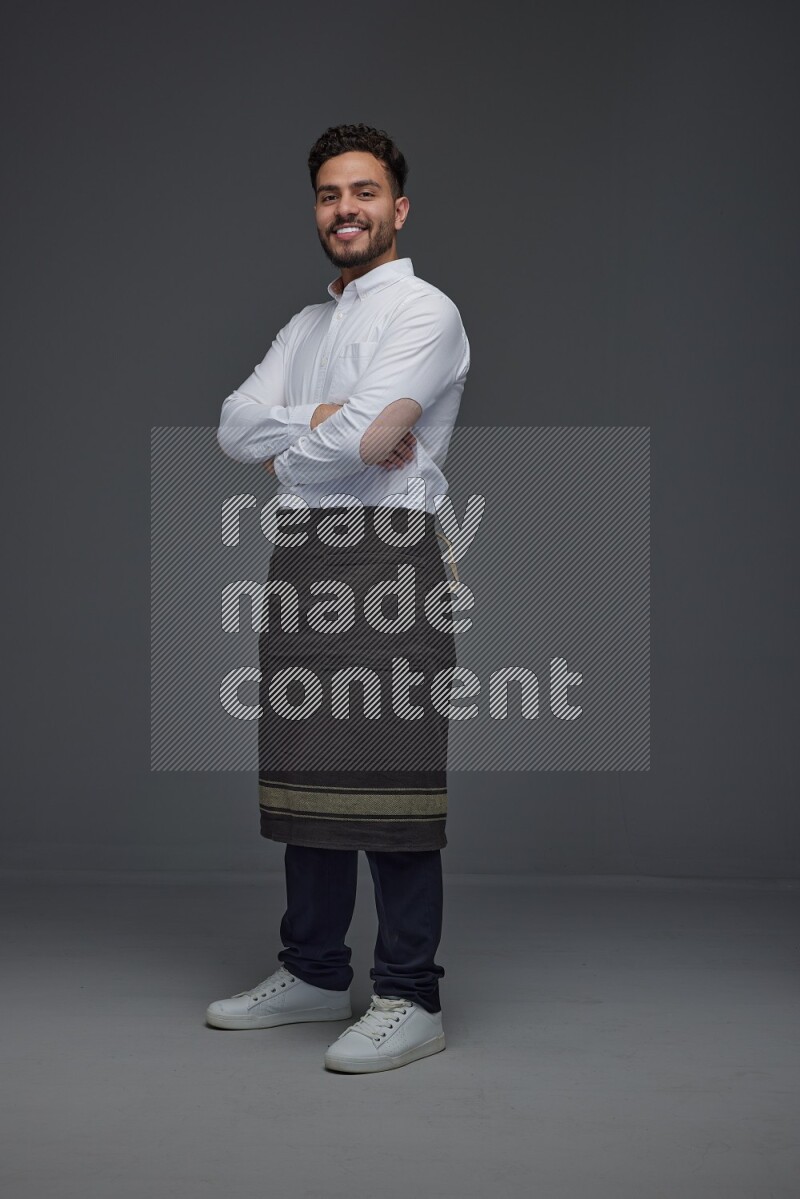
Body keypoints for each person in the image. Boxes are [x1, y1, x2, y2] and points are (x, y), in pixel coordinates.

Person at [209, 123, 470, 1073]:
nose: (345, 209)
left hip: (391, 559)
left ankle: (410, 993)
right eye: (329, 194)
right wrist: (323, 423)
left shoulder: (427, 313)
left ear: (398, 207)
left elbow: (367, 440)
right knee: (305, 769)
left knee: (393, 779)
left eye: (363, 192)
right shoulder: (305, 328)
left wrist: (296, 444)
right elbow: (234, 426)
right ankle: (314, 971)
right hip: (302, 561)